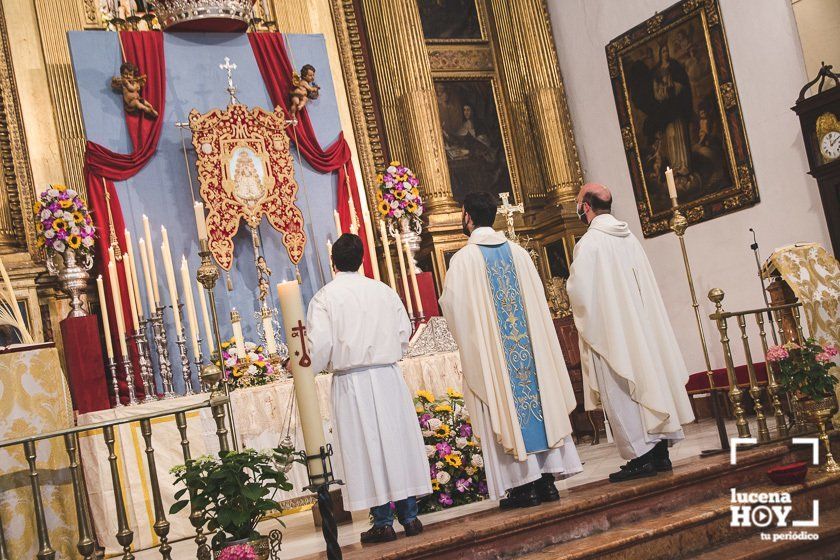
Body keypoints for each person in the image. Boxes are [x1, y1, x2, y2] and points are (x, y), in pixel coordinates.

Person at [440, 191, 582, 509]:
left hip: (497, 361)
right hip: (531, 355)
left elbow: (453, 309)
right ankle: (546, 480)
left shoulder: (463, 261)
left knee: (501, 401)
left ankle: (522, 485)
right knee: (539, 397)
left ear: (467, 216)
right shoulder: (519, 254)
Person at [306, 234, 431, 544]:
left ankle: (383, 521)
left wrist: (309, 365)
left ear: (333, 262)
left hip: (353, 381)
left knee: (367, 447)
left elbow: (319, 347)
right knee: (395, 443)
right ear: (361, 259)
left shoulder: (325, 297)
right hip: (388, 376)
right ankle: (410, 516)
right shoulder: (383, 291)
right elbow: (404, 332)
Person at [566, 184, 695, 483]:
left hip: (614, 333)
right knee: (650, 380)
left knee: (622, 388)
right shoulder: (629, 238)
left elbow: (581, 294)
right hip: (642, 328)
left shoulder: (590, 243)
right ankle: (660, 451)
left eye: (577, 203)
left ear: (586, 207)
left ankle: (641, 456)